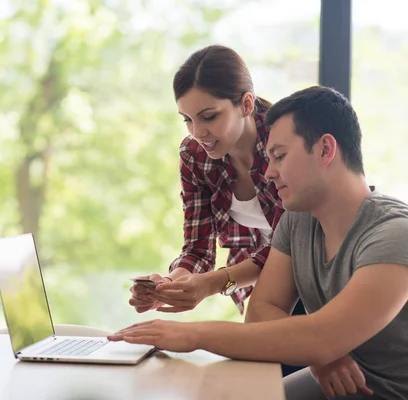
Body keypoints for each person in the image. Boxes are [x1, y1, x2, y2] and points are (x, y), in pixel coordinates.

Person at [114, 86, 408, 399]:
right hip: (346, 386)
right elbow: (261, 313)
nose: (268, 173)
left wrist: (190, 336)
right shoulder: (296, 222)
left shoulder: (397, 234)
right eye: (268, 158)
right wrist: (321, 355)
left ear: (325, 149)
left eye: (280, 156)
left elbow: (324, 337)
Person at [128, 45, 306, 375]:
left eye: (209, 117)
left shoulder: (283, 144)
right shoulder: (195, 155)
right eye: (188, 120)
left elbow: (289, 245)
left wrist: (211, 284)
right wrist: (173, 284)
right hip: (267, 293)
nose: (198, 133)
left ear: (246, 104)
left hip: (314, 281)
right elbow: (197, 246)